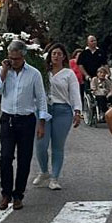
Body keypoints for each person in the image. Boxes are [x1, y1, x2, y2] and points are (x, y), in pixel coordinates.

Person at [0, 39, 49, 211]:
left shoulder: (34, 74)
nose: (13, 62)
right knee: (6, 157)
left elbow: (41, 99)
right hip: (8, 119)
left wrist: (42, 123)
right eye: (10, 58)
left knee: (24, 159)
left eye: (16, 59)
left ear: (23, 56)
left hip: (26, 119)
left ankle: (18, 195)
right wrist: (3, 72)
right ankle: (5, 193)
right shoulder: (3, 71)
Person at [34, 43, 82, 190]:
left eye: (59, 54)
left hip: (62, 110)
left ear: (64, 57)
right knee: (41, 144)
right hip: (44, 110)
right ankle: (44, 171)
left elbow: (74, 92)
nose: (56, 56)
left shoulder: (68, 73)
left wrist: (77, 111)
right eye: (53, 53)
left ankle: (54, 177)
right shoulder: (42, 72)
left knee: (57, 146)